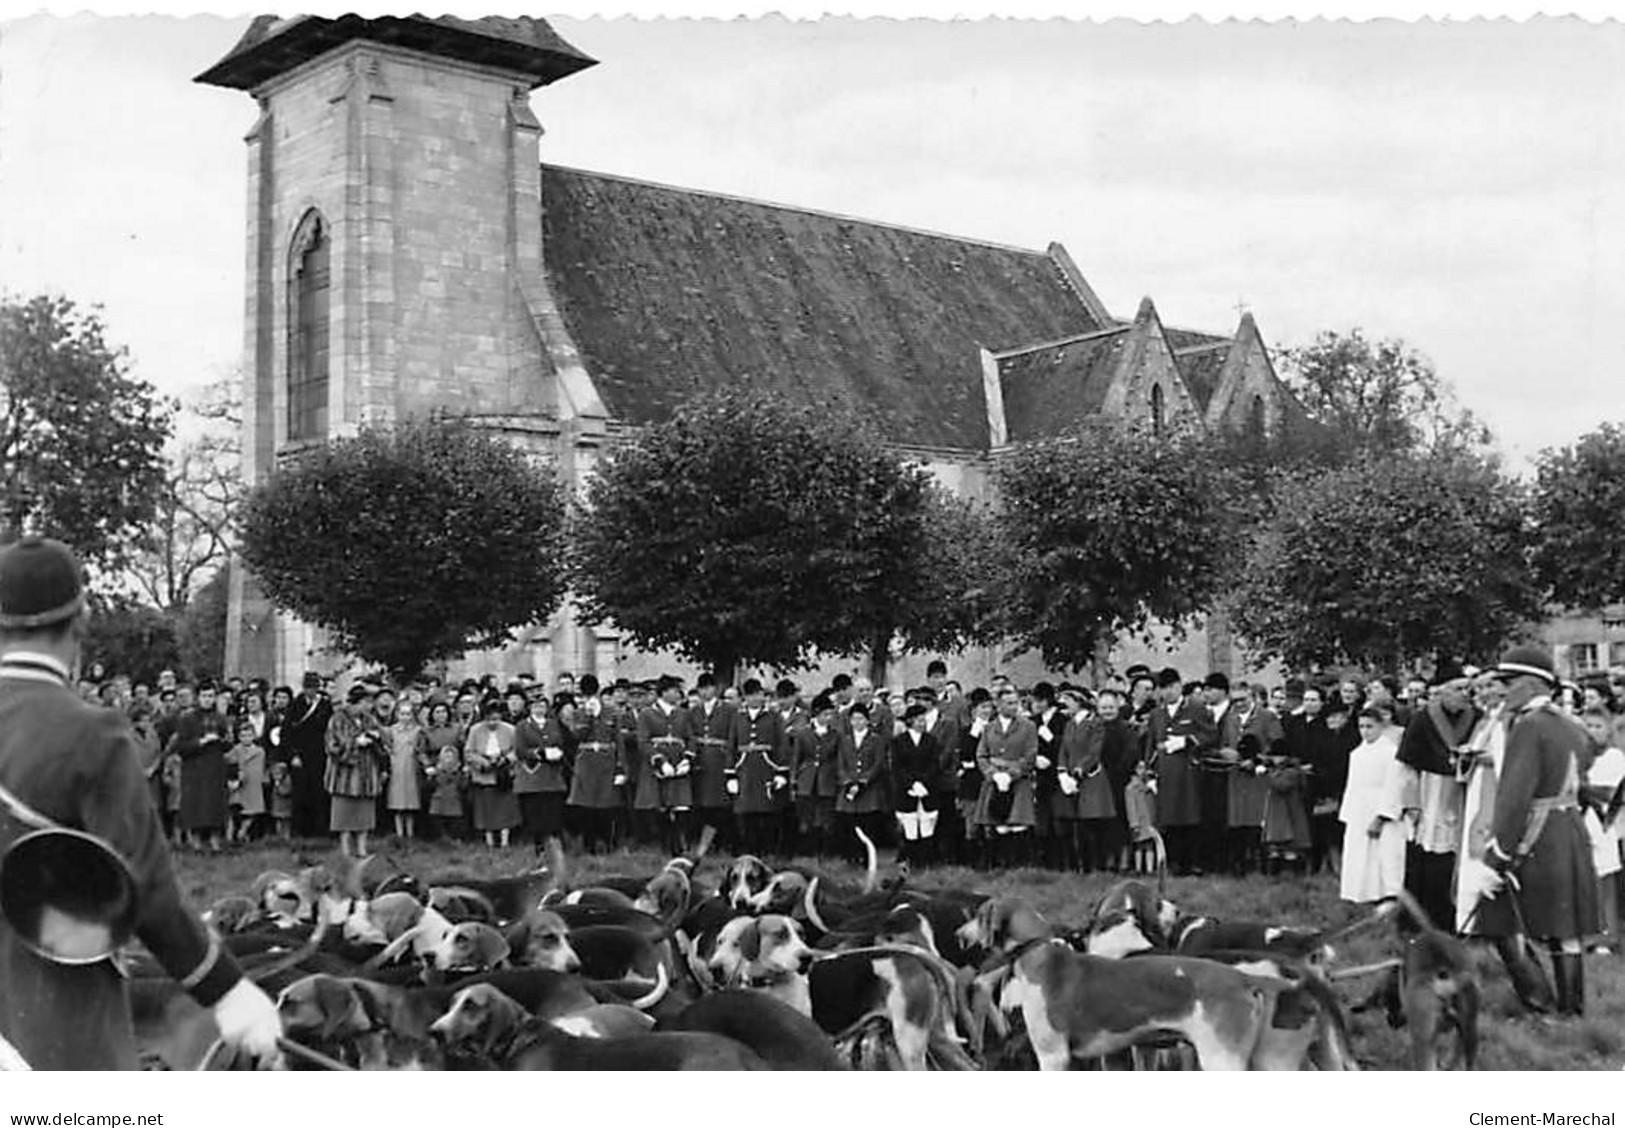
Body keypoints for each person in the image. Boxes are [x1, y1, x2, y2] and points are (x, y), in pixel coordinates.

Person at [0, 535, 280, 1069]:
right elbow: (145, 891)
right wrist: (228, 992)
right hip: (55, 1019)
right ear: (80, 621)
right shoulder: (92, 734)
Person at [1476, 644, 1600, 1017]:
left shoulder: (1528, 727)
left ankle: (1541, 1002)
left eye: (1508, 682)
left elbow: (1514, 800)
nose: (1502, 690)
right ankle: (1572, 1010)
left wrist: (1494, 858)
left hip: (1537, 836)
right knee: (1567, 929)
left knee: (1497, 917)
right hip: (1569, 831)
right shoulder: (1568, 723)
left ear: (1530, 684)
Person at [1397, 662, 1479, 933]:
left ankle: (1456, 920)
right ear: (1442, 691)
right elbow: (1407, 766)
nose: (1464, 694)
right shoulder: (1422, 719)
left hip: (1465, 791)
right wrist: (1412, 804)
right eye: (1458, 689)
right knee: (1428, 857)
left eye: (1467, 689)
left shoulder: (1477, 717)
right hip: (1430, 791)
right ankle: (1420, 922)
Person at [1338, 703, 1407, 903]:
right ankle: (1360, 893)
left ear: (1381, 727)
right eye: (1361, 727)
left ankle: (1387, 895)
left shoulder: (1391, 752)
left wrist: (1381, 816)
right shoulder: (1357, 753)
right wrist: (1349, 813)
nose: (1365, 731)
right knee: (1359, 853)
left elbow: (1394, 786)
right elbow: (1353, 785)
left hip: (1380, 807)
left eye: (1370, 727)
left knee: (1384, 854)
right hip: (1359, 808)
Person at [325, 683, 388, 857]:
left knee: (364, 814)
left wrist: (375, 740)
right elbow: (332, 746)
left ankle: (362, 849)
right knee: (344, 815)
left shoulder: (370, 720)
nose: (369, 706)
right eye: (365, 703)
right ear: (356, 702)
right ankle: (345, 850)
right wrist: (354, 744)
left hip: (367, 774)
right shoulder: (337, 719)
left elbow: (384, 743)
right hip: (344, 776)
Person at [175, 679, 232, 852]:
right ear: (198, 697)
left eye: (211, 696)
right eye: (205, 696)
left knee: (215, 804)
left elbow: (228, 745)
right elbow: (181, 747)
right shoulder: (187, 718)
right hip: (195, 767)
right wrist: (201, 741)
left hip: (215, 766)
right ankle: (196, 840)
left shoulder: (220, 718)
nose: (208, 699)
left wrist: (225, 739)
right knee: (195, 804)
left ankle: (215, 840)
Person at [890, 702, 942, 868]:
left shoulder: (931, 740)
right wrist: (912, 784)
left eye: (924, 720)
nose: (923, 723)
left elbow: (934, 764)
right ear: (910, 721)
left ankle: (926, 861)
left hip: (928, 789)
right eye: (919, 720)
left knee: (927, 824)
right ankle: (911, 860)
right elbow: (897, 767)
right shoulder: (899, 741)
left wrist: (923, 782)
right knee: (910, 825)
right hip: (907, 791)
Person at [464, 696, 520, 848]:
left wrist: (506, 759)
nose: (492, 723)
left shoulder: (510, 730)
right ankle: (489, 841)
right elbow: (469, 752)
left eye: (495, 719)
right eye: (489, 719)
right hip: (484, 774)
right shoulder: (475, 730)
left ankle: (504, 841)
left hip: (504, 775)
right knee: (486, 809)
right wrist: (484, 762)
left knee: (505, 809)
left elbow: (517, 750)